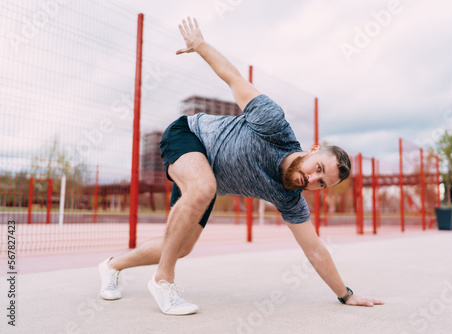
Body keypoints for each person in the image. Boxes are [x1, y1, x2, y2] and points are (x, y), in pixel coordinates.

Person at [98, 17, 384, 315]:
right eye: (318, 168)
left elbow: (314, 249)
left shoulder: (290, 198)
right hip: (189, 136)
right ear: (312, 151)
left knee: (181, 246)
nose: (312, 179)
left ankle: (111, 266)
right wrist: (200, 45)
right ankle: (163, 281)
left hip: (205, 184)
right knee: (204, 187)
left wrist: (345, 294)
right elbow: (233, 78)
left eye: (321, 183)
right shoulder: (274, 123)